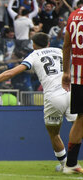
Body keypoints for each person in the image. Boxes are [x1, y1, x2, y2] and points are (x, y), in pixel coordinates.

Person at [0, 32, 77, 171]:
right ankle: (72, 164)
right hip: (71, 92)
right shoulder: (60, 51)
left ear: (33, 45)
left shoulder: (34, 55)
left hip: (53, 96)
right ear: (48, 43)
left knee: (54, 133)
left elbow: (10, 73)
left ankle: (66, 165)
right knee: (79, 129)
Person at [61, 6, 83, 174]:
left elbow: (66, 45)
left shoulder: (73, 16)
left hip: (77, 76)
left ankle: (71, 164)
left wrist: (66, 71)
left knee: (81, 118)